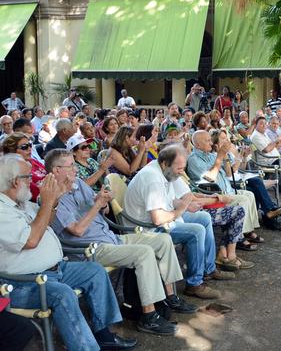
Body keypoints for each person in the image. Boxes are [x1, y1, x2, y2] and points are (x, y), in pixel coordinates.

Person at [46, 149, 196, 336]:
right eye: (71, 166)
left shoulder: (78, 184)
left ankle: (170, 297)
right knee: (144, 253)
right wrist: (97, 205)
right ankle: (149, 317)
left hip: (110, 237)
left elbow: (104, 211)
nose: (76, 169)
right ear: (56, 170)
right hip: (90, 249)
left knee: (162, 240)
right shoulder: (50, 198)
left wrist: (104, 201)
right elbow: (77, 230)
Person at [0, 154, 137, 351]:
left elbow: (44, 221)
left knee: (95, 271)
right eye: (28, 177)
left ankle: (104, 335)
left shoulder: (23, 203)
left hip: (55, 270)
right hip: (23, 283)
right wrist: (47, 203)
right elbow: (31, 240)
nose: (33, 180)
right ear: (14, 182)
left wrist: (55, 201)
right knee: (63, 295)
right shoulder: (2, 211)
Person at [124, 145, 242, 299]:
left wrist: (182, 204)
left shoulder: (164, 171)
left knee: (204, 218)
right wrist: (181, 209)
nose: (181, 172)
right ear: (165, 163)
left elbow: (169, 200)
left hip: (162, 219)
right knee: (196, 231)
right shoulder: (152, 178)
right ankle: (194, 284)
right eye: (179, 169)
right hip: (146, 229)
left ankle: (209, 269)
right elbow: (158, 218)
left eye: (183, 168)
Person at [188, 130, 267, 249]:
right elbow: (210, 179)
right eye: (207, 140)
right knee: (244, 199)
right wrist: (220, 156)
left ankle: (247, 231)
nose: (211, 143)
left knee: (250, 194)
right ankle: (238, 237)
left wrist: (226, 156)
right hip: (214, 195)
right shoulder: (193, 159)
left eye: (211, 140)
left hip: (228, 190)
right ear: (197, 145)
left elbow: (230, 173)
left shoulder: (211, 155)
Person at [251, 116, 281, 194]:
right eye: (261, 124)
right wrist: (276, 140)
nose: (264, 125)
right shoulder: (256, 136)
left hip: (275, 158)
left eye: (264, 124)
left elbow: (275, 147)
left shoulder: (263, 134)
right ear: (256, 125)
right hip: (268, 161)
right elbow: (266, 150)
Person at [2, 133, 46, 201]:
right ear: (12, 150)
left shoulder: (32, 161)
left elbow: (50, 174)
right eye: (24, 147)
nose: (29, 149)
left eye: (30, 145)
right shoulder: (15, 170)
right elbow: (35, 192)